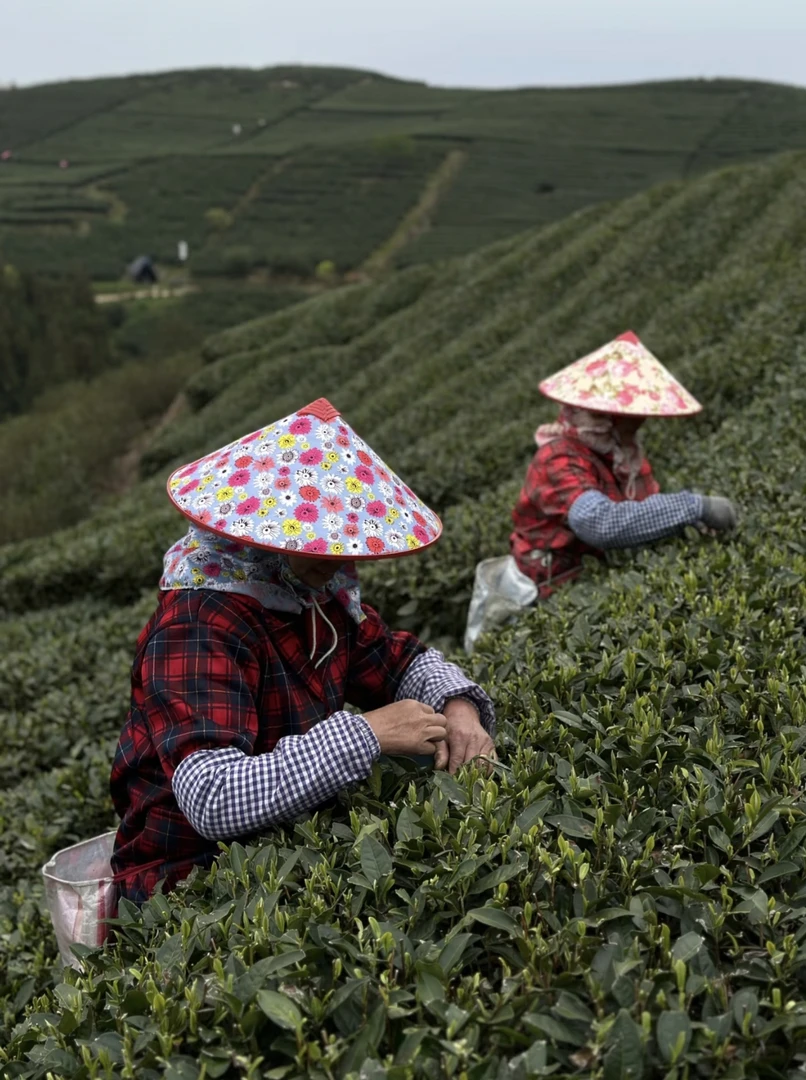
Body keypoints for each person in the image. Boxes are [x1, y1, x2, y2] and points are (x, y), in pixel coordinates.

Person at [111, 398, 495, 903]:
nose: (333, 558)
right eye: (313, 538)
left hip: (286, 847)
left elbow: (396, 661)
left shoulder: (312, 594)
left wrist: (459, 707)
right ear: (260, 531)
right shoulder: (198, 624)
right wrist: (367, 734)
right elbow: (211, 795)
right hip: (187, 881)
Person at [509, 331, 737, 595]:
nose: (639, 422)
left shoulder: (620, 453)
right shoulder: (558, 458)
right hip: (555, 585)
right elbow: (598, 523)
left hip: (601, 570)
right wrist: (694, 507)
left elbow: (643, 506)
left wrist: (686, 524)